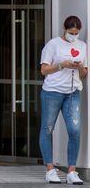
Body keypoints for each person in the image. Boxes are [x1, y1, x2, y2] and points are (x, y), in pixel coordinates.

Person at [40, 15, 88, 184]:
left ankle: (72, 171)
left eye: (76, 33)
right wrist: (62, 65)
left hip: (73, 92)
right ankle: (50, 169)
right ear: (65, 29)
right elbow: (44, 70)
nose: (73, 35)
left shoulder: (82, 46)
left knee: (74, 130)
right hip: (52, 92)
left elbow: (84, 74)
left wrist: (80, 65)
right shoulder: (53, 45)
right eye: (70, 32)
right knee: (47, 129)